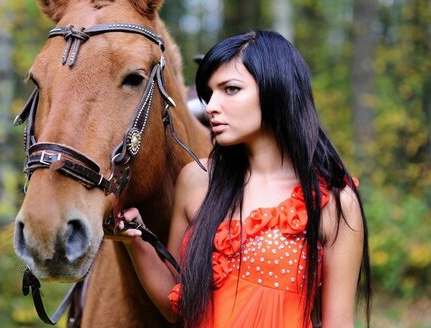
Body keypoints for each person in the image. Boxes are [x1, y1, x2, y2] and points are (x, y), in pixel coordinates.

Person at [115, 30, 371, 327]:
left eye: (231, 89)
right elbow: (178, 306)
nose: (211, 106)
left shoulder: (334, 203)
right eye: (209, 93)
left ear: (277, 89)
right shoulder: (197, 181)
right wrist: (137, 242)